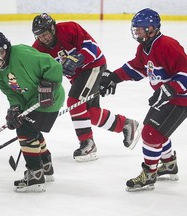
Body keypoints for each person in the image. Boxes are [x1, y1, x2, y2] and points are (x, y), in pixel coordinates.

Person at [31, 13, 141, 162]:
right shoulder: (37, 49)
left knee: (74, 102)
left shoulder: (69, 28)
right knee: (88, 112)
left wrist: (78, 59)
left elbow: (92, 47)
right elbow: (40, 73)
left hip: (93, 66)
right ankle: (127, 125)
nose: (43, 38)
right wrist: (45, 87)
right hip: (77, 77)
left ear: (52, 28)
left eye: (45, 34)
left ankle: (87, 144)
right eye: (39, 36)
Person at [99, 8, 187, 191]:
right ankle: (169, 164)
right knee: (155, 131)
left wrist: (169, 89)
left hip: (180, 99)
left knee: (151, 134)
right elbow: (137, 68)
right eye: (136, 28)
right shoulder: (145, 47)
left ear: (152, 28)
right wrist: (113, 77)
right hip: (165, 97)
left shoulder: (168, 45)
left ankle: (149, 175)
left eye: (141, 28)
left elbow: (185, 72)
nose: (137, 32)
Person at [0, 31, 65, 192]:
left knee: (25, 129)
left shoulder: (22, 55)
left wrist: (49, 85)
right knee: (28, 127)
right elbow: (12, 94)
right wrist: (15, 109)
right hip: (30, 102)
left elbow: (53, 65)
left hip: (49, 99)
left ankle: (35, 174)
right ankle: (45, 164)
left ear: (2, 51)